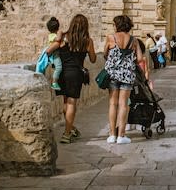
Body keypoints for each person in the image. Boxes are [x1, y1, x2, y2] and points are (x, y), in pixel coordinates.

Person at [47, 13, 96, 144]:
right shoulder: (88, 41)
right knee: (71, 103)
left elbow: (48, 51)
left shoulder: (63, 38)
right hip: (75, 75)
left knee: (65, 102)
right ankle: (67, 134)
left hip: (62, 73)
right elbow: (93, 59)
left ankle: (71, 128)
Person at [103, 15, 143, 145]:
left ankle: (111, 135)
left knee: (112, 104)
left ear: (117, 25)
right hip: (127, 75)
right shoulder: (133, 40)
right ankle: (121, 135)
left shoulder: (110, 38)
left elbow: (105, 54)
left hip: (113, 75)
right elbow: (140, 58)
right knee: (123, 105)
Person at [37, 17, 63, 91]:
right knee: (58, 68)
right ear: (57, 28)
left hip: (56, 54)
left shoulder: (52, 35)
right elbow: (58, 39)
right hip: (55, 55)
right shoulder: (52, 36)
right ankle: (54, 82)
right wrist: (60, 33)